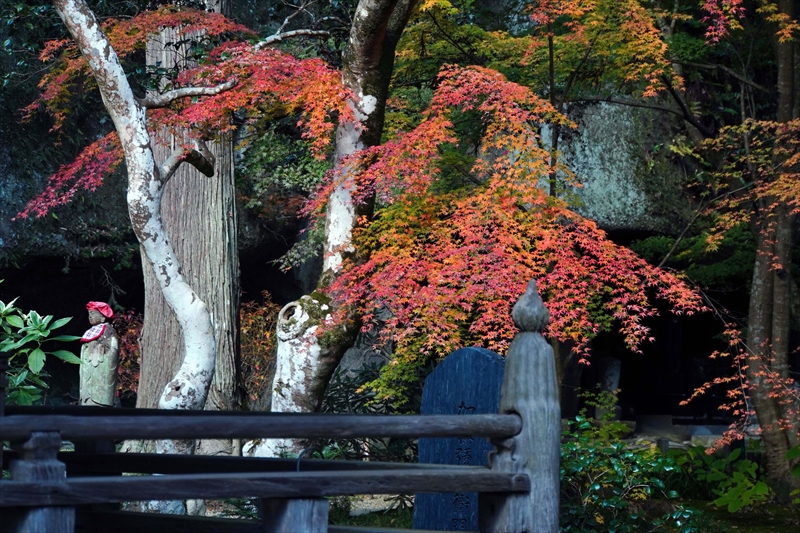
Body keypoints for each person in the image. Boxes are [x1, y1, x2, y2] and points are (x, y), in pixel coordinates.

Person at [79, 301, 120, 407]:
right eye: (89, 314)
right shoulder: (89, 333)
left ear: (102, 317)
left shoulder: (109, 331)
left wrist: (98, 350)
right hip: (88, 371)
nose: (90, 316)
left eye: (93, 313)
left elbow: (113, 351)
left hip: (100, 373)